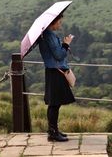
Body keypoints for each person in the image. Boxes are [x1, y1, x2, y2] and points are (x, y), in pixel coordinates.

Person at [38, 13, 75, 142]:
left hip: (53, 71)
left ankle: (54, 130)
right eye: (59, 22)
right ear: (52, 22)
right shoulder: (50, 36)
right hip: (55, 72)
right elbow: (59, 55)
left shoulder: (46, 35)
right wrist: (66, 44)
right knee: (54, 103)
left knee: (55, 103)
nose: (60, 24)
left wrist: (64, 44)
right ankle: (53, 133)